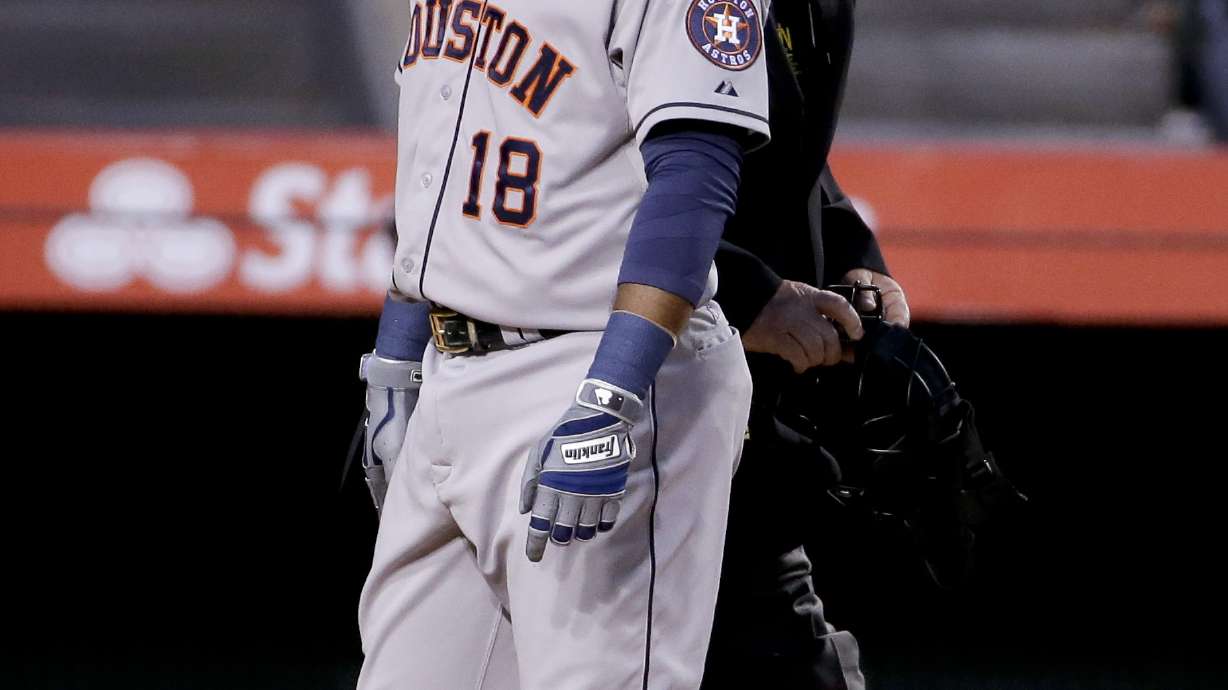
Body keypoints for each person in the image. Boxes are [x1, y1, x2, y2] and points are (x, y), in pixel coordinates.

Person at [354, 1, 773, 688]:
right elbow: (436, 156)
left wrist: (611, 394)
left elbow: (695, 175)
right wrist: (399, 350)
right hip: (451, 370)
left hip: (592, 366)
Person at [702, 1, 910, 687]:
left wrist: (855, 250)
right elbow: (607, 175)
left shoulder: (820, 5)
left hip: (739, 428)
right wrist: (745, 293)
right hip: (616, 410)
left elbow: (787, 160)